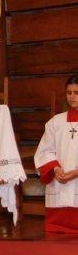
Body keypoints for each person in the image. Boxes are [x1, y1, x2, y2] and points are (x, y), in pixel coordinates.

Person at [34, 75, 78, 234]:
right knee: (56, 232)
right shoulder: (55, 122)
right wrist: (55, 168)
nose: (72, 97)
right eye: (69, 93)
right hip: (60, 179)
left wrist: (76, 172)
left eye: (76, 93)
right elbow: (44, 151)